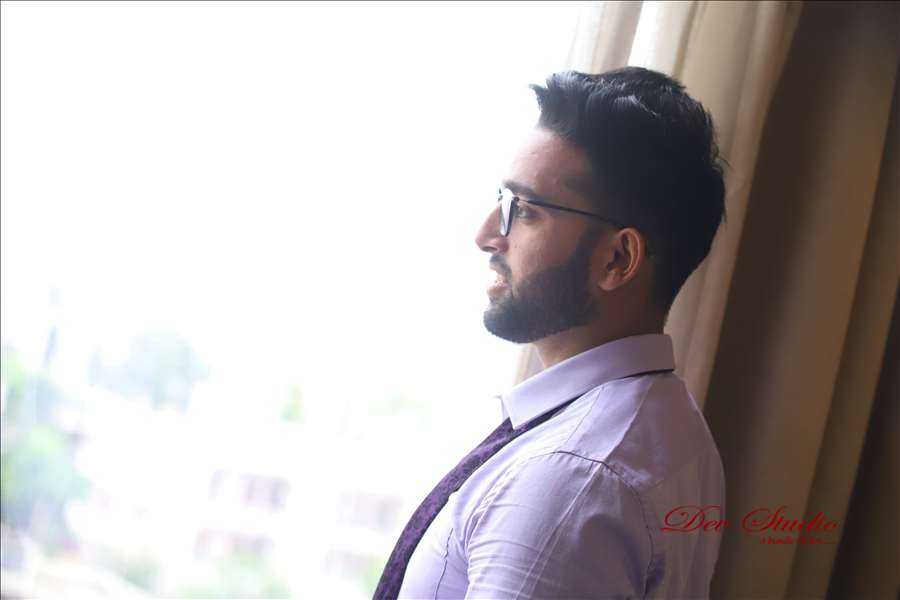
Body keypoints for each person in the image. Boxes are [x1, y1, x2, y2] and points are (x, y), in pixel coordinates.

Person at [374, 67, 727, 599]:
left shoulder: (568, 478)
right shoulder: (667, 424)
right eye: (502, 199)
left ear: (617, 258)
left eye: (525, 210)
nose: (487, 234)